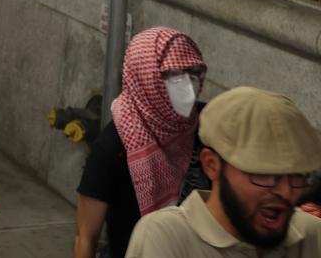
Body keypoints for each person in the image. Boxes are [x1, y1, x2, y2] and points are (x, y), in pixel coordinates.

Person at [125, 86, 321, 257]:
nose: (286, 192)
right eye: (266, 175)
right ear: (212, 165)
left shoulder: (310, 235)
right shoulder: (167, 236)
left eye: (298, 176)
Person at [74, 26, 209, 258]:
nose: (187, 89)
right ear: (146, 79)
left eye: (193, 74)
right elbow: (86, 236)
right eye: (175, 77)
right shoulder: (114, 146)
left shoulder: (208, 126)